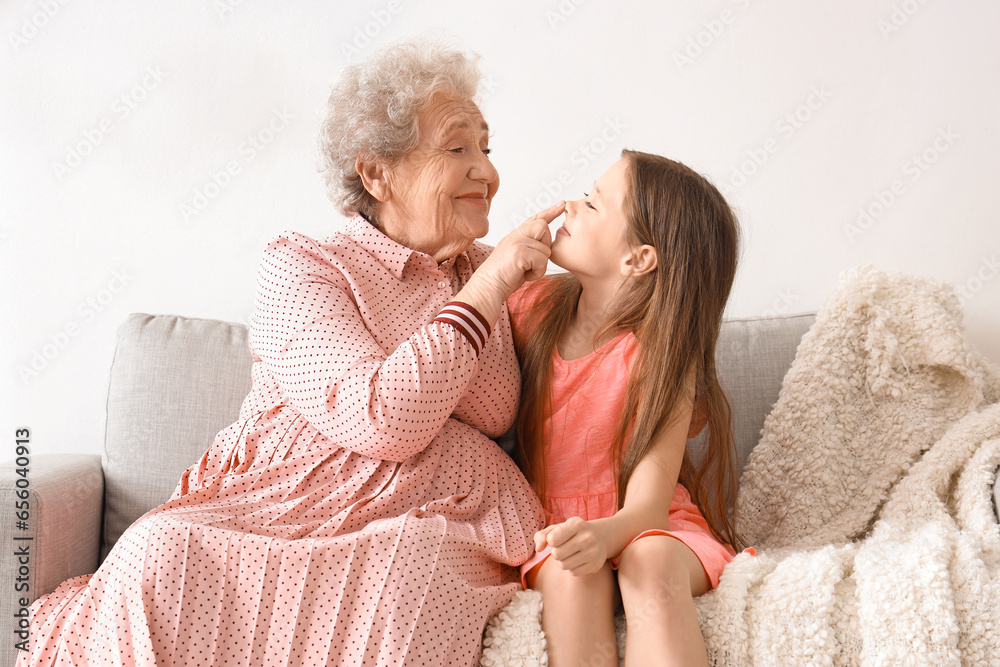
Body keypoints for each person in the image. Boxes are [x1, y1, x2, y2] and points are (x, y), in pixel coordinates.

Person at [20, 37, 558, 666]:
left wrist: (523, 277)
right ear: (377, 173)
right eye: (458, 147)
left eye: (487, 149)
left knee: (411, 578)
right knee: (161, 552)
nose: (488, 173)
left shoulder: (488, 273)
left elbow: (505, 406)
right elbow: (384, 418)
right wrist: (487, 289)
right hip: (276, 506)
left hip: (436, 514)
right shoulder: (304, 265)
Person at [509, 150, 751, 666]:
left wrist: (604, 534)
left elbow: (646, 510)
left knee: (650, 556)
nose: (573, 204)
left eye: (593, 204)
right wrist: (508, 255)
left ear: (638, 259)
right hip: (557, 532)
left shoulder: (662, 358)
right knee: (573, 573)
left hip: (650, 524)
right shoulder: (529, 307)